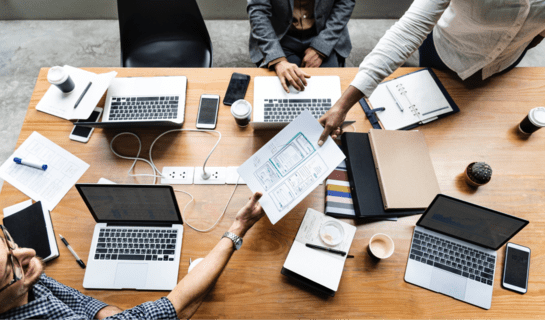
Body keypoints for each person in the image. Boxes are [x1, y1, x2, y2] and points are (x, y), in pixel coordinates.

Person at [0, 192, 264, 320]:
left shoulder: (22, 276)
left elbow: (78, 301)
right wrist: (239, 226)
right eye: (9, 269)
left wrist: (112, 315)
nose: (27, 253)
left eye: (5, 240)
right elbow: (176, 306)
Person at [317, 0, 545, 145]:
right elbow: (407, 32)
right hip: (444, 52)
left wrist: (524, 43)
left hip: (504, 64)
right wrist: (343, 105)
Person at [247, 0, 355, 93]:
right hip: (280, 37)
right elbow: (258, 10)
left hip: (324, 32)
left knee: (329, 91)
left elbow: (345, 2)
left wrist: (322, 47)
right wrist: (277, 59)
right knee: (285, 92)